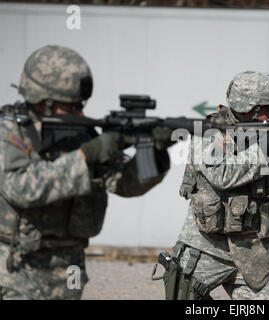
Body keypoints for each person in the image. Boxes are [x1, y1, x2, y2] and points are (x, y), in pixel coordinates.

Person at [0, 45, 170, 300]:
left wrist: (153, 152)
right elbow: (20, 187)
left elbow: (124, 184)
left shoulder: (80, 135)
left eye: (80, 105)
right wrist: (86, 156)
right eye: (70, 106)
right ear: (42, 100)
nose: (79, 113)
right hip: (16, 269)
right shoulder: (11, 132)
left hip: (68, 270)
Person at [169, 70, 269, 300]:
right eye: (268, 109)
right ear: (250, 108)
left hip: (255, 251)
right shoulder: (210, 129)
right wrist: (266, 149)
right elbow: (222, 175)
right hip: (206, 247)